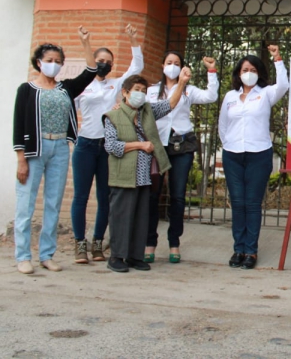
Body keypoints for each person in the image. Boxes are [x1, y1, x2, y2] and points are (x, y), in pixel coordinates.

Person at [13, 27, 97, 274]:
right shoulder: (26, 90)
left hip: (60, 147)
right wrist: (21, 159)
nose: (53, 65)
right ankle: (23, 256)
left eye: (58, 62)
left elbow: (91, 72)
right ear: (38, 63)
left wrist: (86, 43)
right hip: (34, 150)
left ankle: (46, 255)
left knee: (53, 203)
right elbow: (18, 124)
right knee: (25, 204)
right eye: (49, 61)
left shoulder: (66, 89)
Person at [104, 70, 191, 273]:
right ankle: (117, 256)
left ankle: (135, 255)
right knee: (121, 215)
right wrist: (139, 145)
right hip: (123, 174)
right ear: (125, 93)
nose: (140, 94)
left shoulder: (147, 111)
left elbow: (170, 104)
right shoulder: (113, 116)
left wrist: (181, 83)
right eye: (136, 90)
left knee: (141, 215)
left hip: (144, 174)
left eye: (143, 90)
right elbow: (111, 146)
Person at [71, 24, 144, 264]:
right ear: (93, 61)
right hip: (85, 145)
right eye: (100, 60)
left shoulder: (116, 85)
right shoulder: (82, 86)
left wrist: (133, 40)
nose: (105, 63)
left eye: (109, 61)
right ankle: (80, 244)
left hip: (107, 147)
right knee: (81, 196)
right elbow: (70, 113)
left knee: (105, 196)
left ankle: (98, 243)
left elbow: (137, 67)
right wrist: (85, 43)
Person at [145, 52, 218, 264]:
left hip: (182, 144)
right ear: (162, 65)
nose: (173, 66)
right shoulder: (151, 91)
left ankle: (174, 242)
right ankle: (149, 241)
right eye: (169, 63)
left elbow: (211, 96)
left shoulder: (188, 90)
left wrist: (211, 71)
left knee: (177, 196)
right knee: (152, 195)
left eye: (177, 63)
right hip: (157, 145)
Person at [219, 45, 288, 270]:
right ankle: (238, 248)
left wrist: (277, 58)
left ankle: (251, 251)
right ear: (239, 73)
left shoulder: (266, 93)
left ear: (258, 72)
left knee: (252, 203)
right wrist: (228, 144)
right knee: (238, 203)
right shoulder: (230, 96)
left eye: (252, 69)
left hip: (259, 154)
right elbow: (223, 125)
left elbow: (284, 85)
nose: (248, 72)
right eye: (244, 69)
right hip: (233, 155)